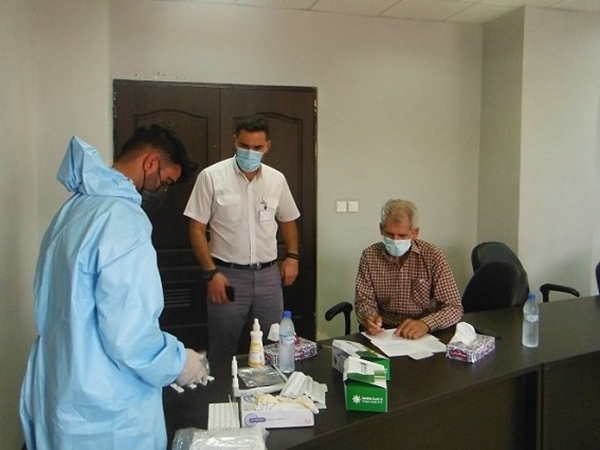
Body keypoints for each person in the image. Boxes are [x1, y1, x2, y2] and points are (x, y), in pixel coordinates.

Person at [20, 125, 207, 450]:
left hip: (63, 388)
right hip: (106, 410)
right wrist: (178, 362)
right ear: (151, 163)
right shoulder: (122, 219)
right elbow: (130, 335)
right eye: (165, 181)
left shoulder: (74, 210)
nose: (163, 190)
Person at [184, 114, 300, 364]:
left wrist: (292, 256)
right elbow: (196, 228)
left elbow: (288, 219)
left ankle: (272, 389)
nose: (250, 152)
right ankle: (220, 388)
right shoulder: (211, 176)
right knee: (223, 344)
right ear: (234, 141)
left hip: (269, 277)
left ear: (267, 146)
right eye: (244, 146)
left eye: (257, 147)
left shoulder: (276, 179)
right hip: (227, 276)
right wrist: (211, 273)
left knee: (274, 345)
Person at [355, 199, 463, 339]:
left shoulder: (432, 256)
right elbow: (363, 301)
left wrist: (426, 324)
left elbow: (454, 307)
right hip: (384, 330)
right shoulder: (369, 256)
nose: (395, 240)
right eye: (389, 234)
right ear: (381, 229)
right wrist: (369, 317)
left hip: (423, 330)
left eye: (402, 236)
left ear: (415, 233)